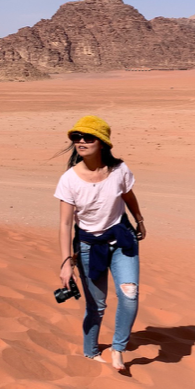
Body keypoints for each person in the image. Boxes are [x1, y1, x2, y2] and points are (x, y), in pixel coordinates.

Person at [54, 115, 146, 370]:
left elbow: (128, 195)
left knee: (129, 294)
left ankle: (118, 348)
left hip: (121, 240)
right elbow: (64, 224)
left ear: (102, 143)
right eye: (76, 137)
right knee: (97, 305)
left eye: (87, 137)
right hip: (87, 247)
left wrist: (139, 219)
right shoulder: (69, 180)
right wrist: (65, 262)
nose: (81, 142)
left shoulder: (119, 170)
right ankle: (91, 351)